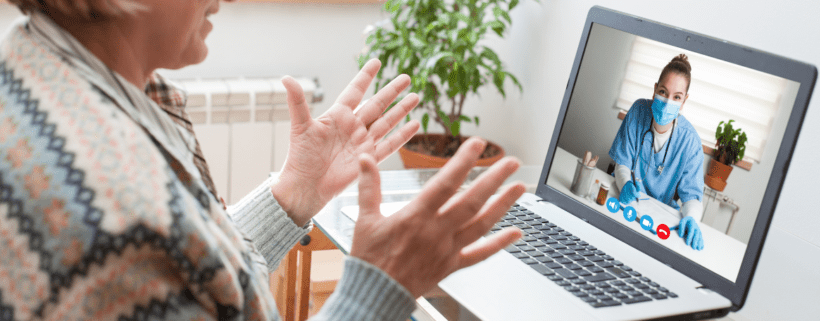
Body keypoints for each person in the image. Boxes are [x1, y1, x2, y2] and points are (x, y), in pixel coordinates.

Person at [0, 0, 525, 320]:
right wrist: (378, 288)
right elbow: (150, 245)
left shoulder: (42, 67)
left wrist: (294, 194)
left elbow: (194, 277)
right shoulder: (106, 214)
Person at [608, 54, 705, 251]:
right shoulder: (637, 112)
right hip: (625, 202)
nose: (668, 101)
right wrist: (625, 183)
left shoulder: (690, 142)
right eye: (663, 92)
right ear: (654, 90)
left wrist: (692, 219)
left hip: (657, 216)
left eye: (677, 97)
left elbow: (692, 197)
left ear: (684, 101)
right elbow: (623, 163)